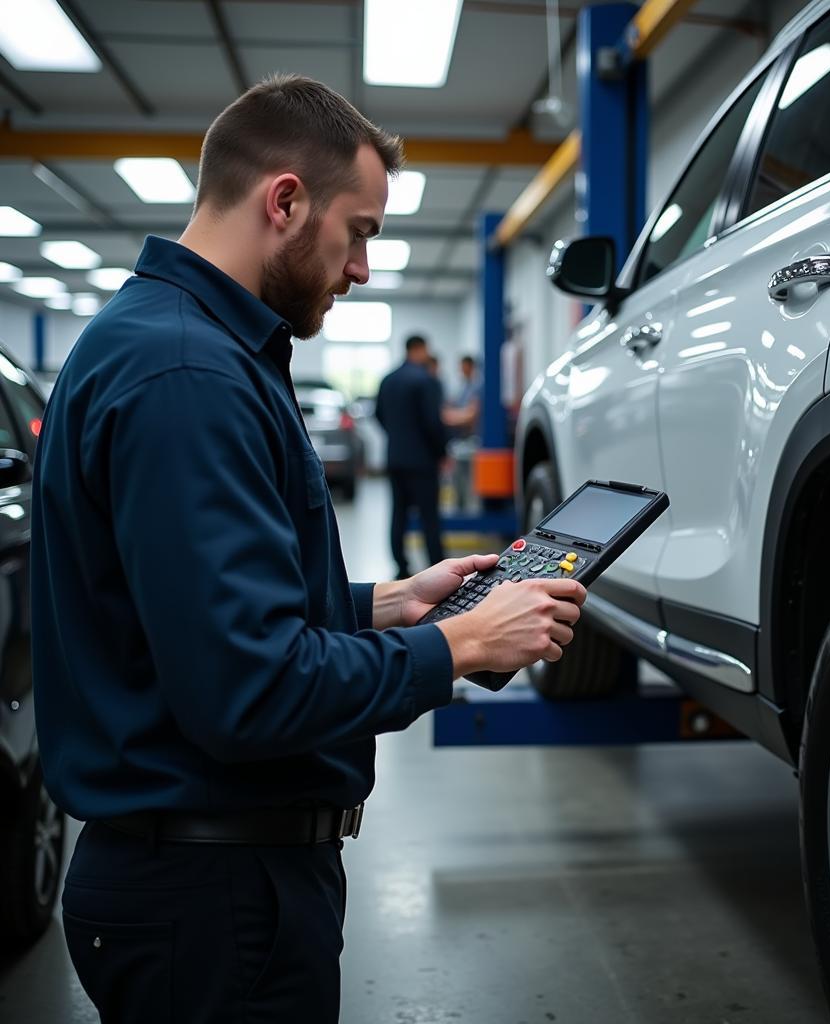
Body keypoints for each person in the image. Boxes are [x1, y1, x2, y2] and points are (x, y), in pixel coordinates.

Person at [30, 74, 586, 1024]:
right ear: (285, 201)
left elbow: (177, 610)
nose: (362, 266)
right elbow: (247, 689)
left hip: (204, 877)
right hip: (212, 899)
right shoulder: (186, 376)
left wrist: (386, 604)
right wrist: (457, 646)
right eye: (360, 230)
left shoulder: (183, 348)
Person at [375, 335, 447, 577]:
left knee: (398, 514)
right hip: (423, 461)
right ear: (420, 349)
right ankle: (437, 567)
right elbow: (432, 423)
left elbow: (379, 415)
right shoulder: (425, 380)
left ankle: (401, 566)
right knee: (429, 517)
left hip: (395, 458)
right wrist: (442, 452)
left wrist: (397, 438)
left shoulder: (387, 380)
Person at [443, 354, 483, 511]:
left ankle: (471, 511)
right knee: (458, 478)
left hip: (474, 440)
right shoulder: (465, 386)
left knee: (470, 483)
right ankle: (461, 507)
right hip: (463, 439)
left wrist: (447, 417)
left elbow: (471, 414)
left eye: (462, 366)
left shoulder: (478, 387)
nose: (460, 370)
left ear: (470, 366)